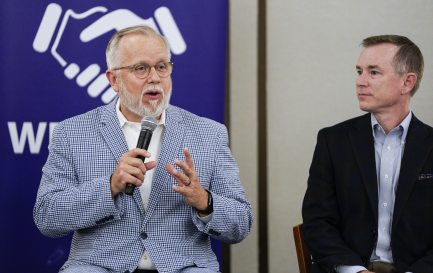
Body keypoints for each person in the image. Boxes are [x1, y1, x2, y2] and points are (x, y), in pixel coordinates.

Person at [33, 25, 253, 273]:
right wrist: (110, 186)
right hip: (99, 267)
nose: (155, 78)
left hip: (184, 267)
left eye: (162, 67)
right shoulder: (72, 133)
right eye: (141, 68)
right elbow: (47, 216)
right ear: (113, 79)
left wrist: (204, 201)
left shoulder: (209, 133)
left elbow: (241, 223)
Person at [302, 35, 433, 273]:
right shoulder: (333, 141)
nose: (360, 81)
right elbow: (317, 222)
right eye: (359, 71)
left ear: (407, 82)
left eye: (373, 72)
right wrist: (355, 271)